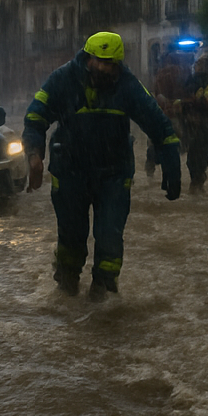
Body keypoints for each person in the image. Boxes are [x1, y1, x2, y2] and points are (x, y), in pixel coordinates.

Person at [24, 31, 182, 300]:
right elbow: (34, 118)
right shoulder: (62, 80)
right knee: (71, 237)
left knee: (110, 235)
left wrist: (172, 168)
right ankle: (66, 288)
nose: (104, 68)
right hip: (70, 171)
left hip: (114, 174)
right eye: (99, 61)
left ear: (118, 64)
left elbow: (160, 126)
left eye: (111, 64)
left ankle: (103, 294)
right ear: (87, 58)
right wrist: (35, 157)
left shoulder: (128, 86)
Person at [180, 52, 208, 192]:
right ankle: (196, 182)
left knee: (200, 159)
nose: (198, 67)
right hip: (192, 126)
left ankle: (198, 181)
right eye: (197, 65)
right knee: (191, 159)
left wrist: (192, 101)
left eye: (200, 65)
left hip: (204, 128)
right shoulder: (191, 81)